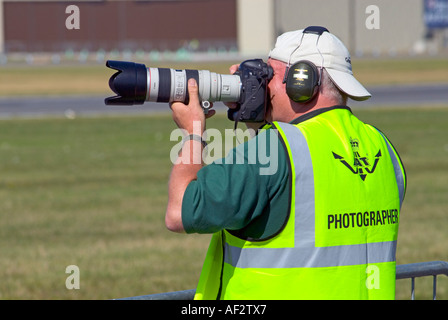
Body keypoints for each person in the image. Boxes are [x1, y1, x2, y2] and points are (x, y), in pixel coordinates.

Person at [165, 26, 406, 300]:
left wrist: (193, 131)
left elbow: (180, 210)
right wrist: (258, 121)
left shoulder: (275, 149)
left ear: (300, 81)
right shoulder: (383, 148)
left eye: (268, 75)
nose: (260, 84)